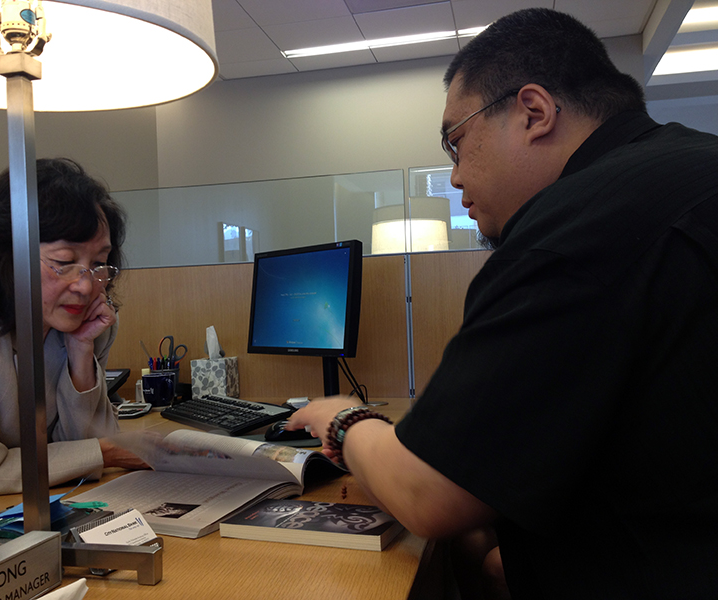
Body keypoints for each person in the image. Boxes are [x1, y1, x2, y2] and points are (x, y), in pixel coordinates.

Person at [288, 8, 718, 599]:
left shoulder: (570, 233)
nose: (456, 177)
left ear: (533, 112)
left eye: (456, 143)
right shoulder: (690, 168)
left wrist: (338, 417)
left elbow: (427, 493)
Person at [0, 158, 145, 502]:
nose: (86, 287)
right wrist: (105, 454)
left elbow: (85, 446)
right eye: (64, 262)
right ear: (8, 254)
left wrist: (80, 353)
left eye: (98, 264)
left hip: (46, 500)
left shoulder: (90, 323)